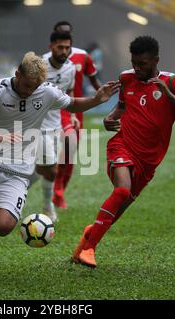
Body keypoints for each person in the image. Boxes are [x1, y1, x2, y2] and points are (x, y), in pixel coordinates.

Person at [0, 51, 119, 279]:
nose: (30, 91)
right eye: (27, 84)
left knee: (3, 227)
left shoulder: (46, 91)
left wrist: (96, 99)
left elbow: (71, 104)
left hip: (18, 172)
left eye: (35, 86)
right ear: (17, 73)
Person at [72, 36, 175, 268]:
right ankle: (89, 250)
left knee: (117, 211)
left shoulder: (172, 82)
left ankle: (87, 240)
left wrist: (169, 96)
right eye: (134, 62)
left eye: (142, 63)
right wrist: (109, 118)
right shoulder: (126, 78)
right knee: (121, 191)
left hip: (149, 161)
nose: (137, 68)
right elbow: (121, 106)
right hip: (123, 145)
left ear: (156, 60)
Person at [49, 21, 102, 209]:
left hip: (74, 110)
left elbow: (94, 80)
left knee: (70, 153)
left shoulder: (82, 57)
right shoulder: (46, 60)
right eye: (60, 35)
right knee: (52, 152)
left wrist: (104, 96)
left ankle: (60, 190)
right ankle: (53, 188)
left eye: (67, 36)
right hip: (51, 111)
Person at [30, 31, 76, 222]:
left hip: (55, 125)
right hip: (37, 125)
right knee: (52, 169)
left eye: (67, 47)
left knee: (41, 169)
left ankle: (9, 194)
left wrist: (72, 114)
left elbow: (69, 90)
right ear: (51, 47)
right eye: (60, 47)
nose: (64, 51)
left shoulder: (71, 67)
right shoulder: (39, 66)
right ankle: (48, 207)